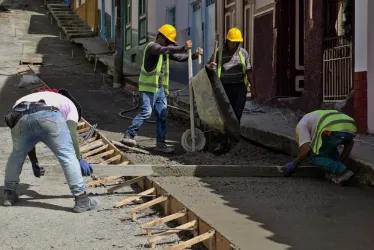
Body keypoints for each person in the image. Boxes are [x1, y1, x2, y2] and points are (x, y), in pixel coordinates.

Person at [2, 89, 99, 212]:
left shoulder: (38, 96)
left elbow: (30, 138)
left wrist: (34, 161)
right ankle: (82, 199)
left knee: (16, 156)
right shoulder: (71, 106)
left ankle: (9, 195)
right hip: (48, 114)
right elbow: (71, 133)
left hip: (19, 116)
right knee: (67, 157)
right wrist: (78, 159)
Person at [120, 24, 203, 153]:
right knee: (146, 112)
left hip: (159, 90)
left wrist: (193, 55)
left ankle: (161, 143)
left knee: (162, 115)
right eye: (169, 42)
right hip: (148, 88)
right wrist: (183, 47)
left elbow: (179, 57)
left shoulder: (165, 51)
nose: (170, 45)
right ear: (162, 37)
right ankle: (129, 135)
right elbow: (165, 50)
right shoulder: (153, 47)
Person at [207, 27, 256, 154]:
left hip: (240, 88)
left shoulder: (243, 53)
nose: (235, 45)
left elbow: (249, 71)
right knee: (224, 116)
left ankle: (234, 143)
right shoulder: (219, 52)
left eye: (237, 42)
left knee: (236, 116)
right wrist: (210, 66)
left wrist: (254, 88)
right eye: (232, 42)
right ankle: (223, 143)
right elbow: (208, 67)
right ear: (227, 41)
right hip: (224, 89)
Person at [283, 110, 357, 184]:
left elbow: (306, 150)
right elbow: (350, 142)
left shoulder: (301, 125)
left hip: (331, 128)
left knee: (311, 155)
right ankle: (338, 170)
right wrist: (341, 161)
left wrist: (295, 163)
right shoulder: (315, 116)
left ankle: (343, 172)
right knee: (328, 147)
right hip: (351, 125)